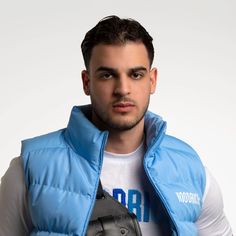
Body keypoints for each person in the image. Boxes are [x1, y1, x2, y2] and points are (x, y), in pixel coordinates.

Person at [0, 15, 232, 236]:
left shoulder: (191, 170)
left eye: (136, 75)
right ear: (86, 82)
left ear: (152, 80)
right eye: (107, 75)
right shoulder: (31, 168)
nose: (122, 89)